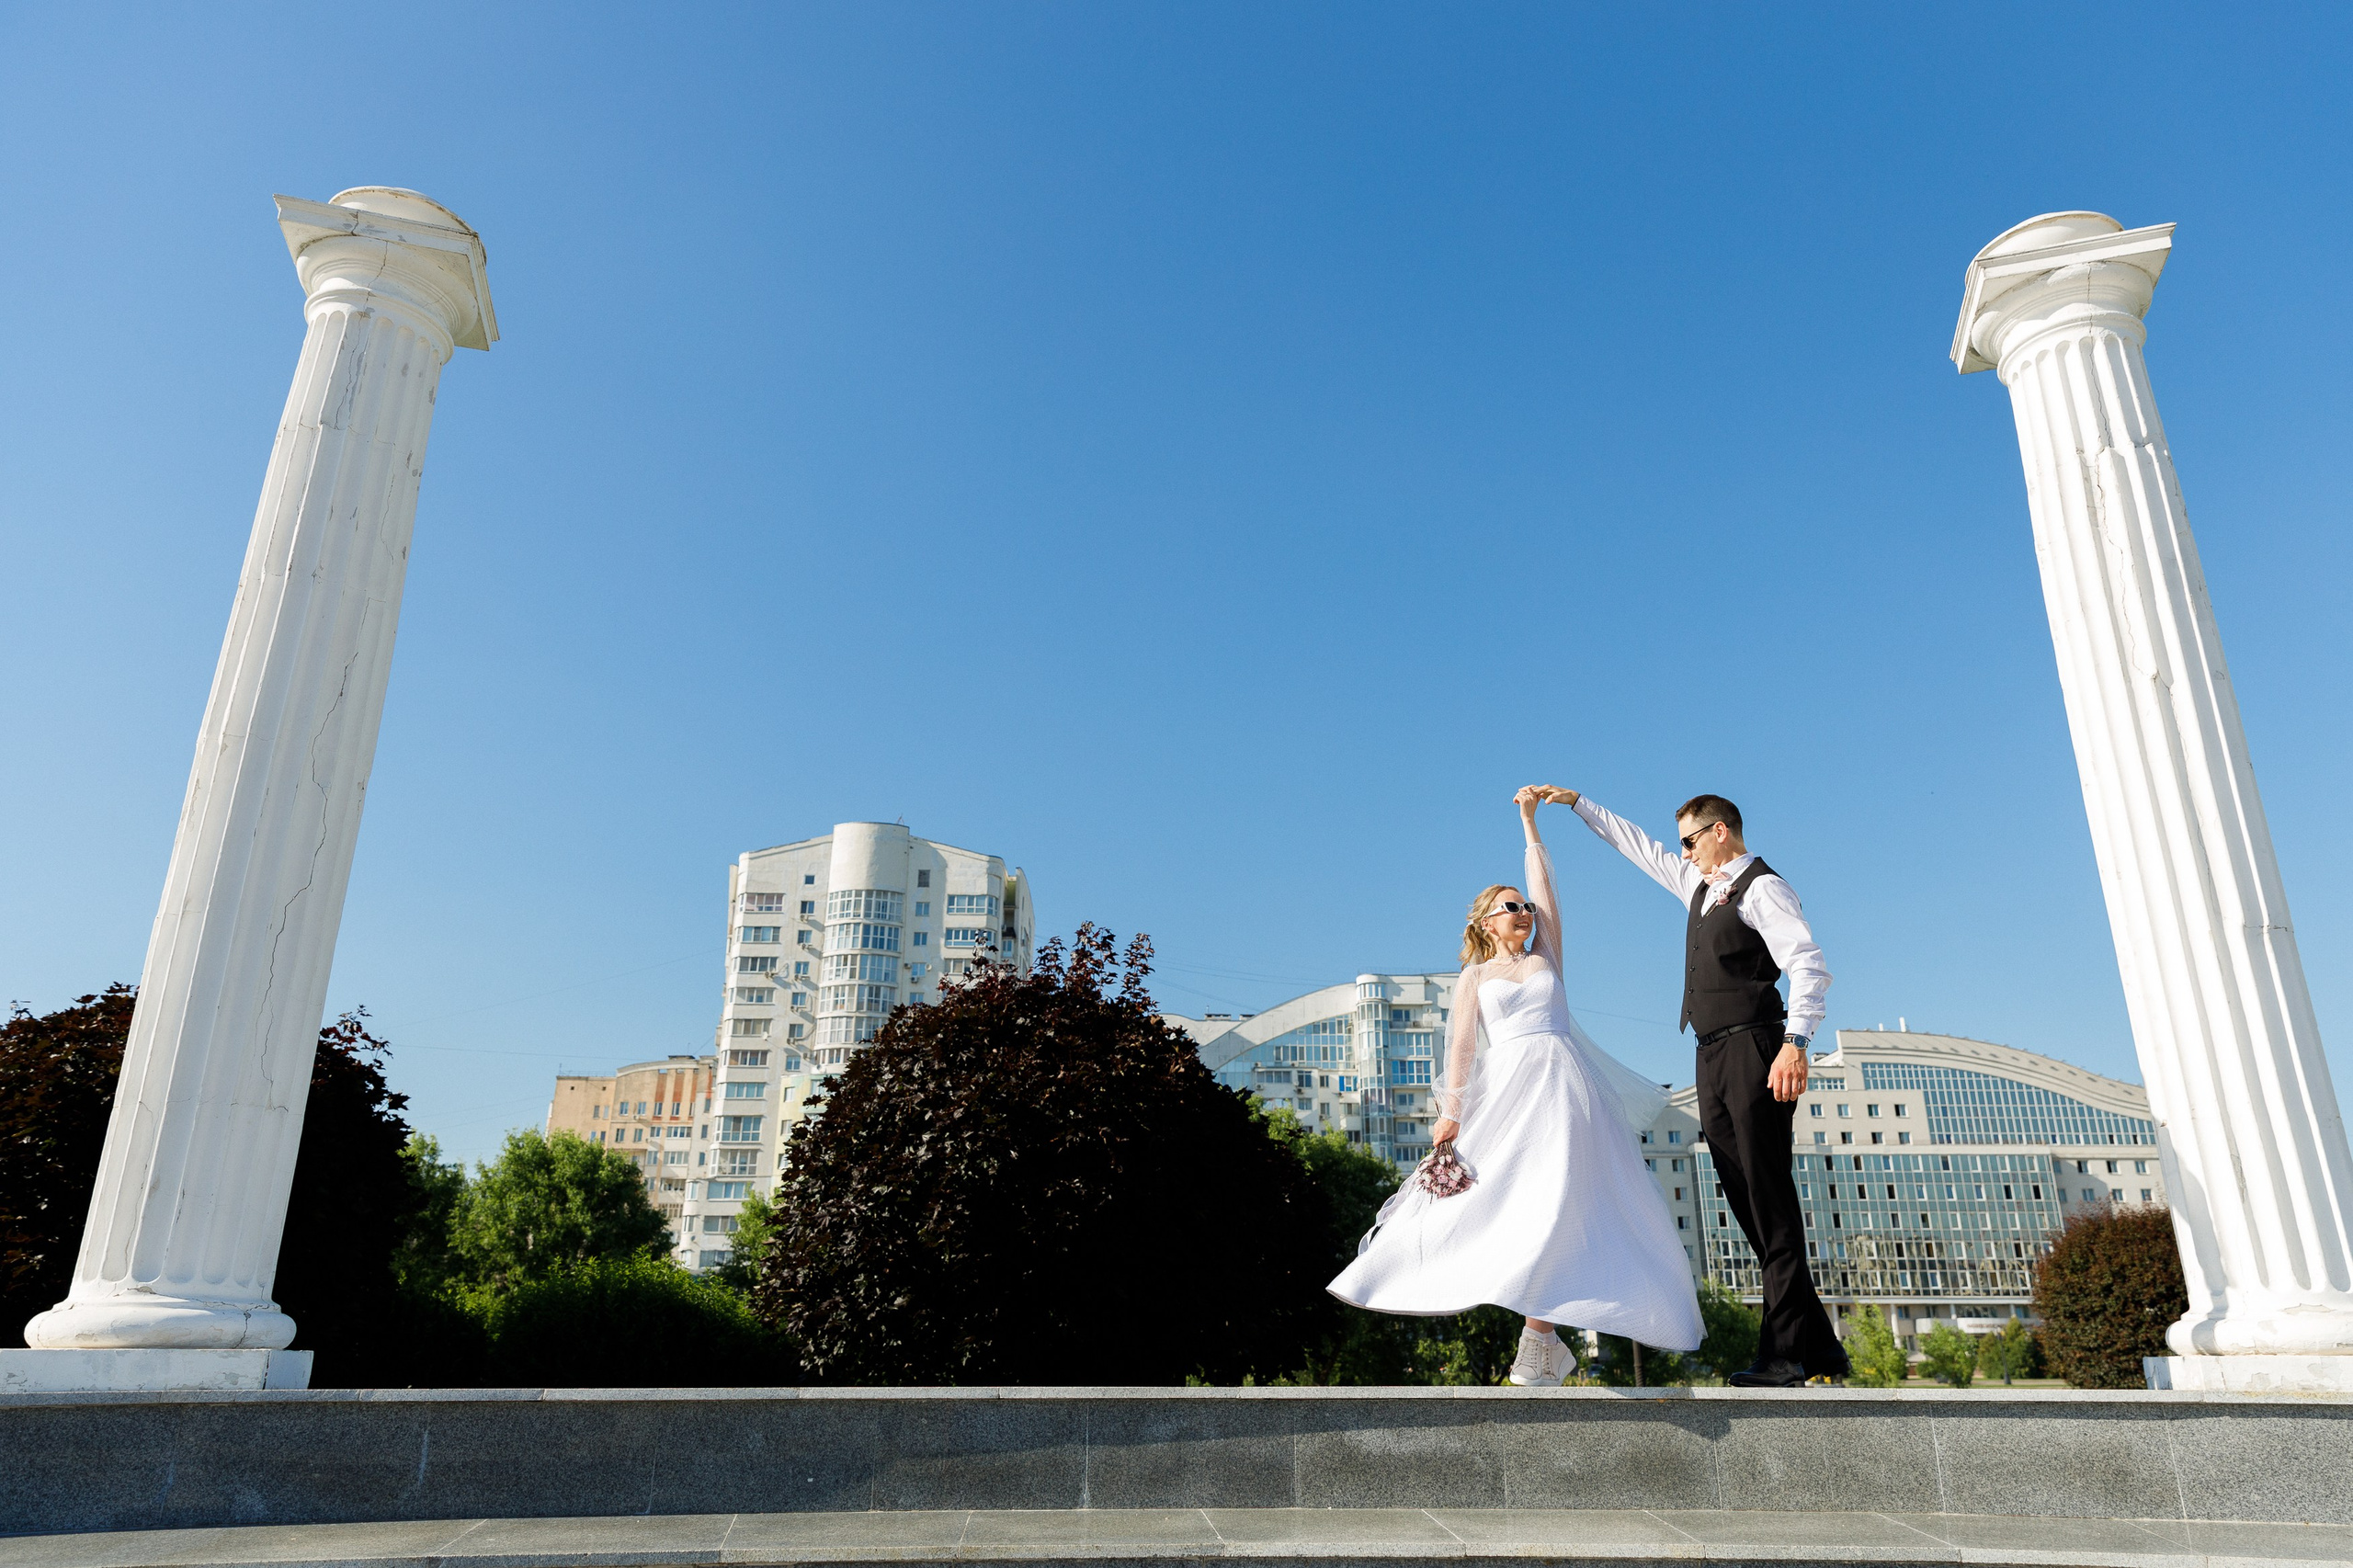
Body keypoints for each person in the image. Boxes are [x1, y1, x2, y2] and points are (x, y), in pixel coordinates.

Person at [1329, 787, 1701, 1385]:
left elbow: (1546, 886)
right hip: (1508, 1096)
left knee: (1562, 1207)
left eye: (1525, 906)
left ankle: (1540, 1340)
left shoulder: (1546, 956)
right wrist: (1451, 1114)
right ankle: (1538, 1340)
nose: (1523, 911)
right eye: (1510, 907)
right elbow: (1461, 1050)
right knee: (1513, 1207)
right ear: (1484, 922)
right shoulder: (1474, 976)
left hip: (1567, 1091)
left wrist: (1530, 825)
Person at [1544, 785, 1848, 1387]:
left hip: (1756, 1048)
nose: (1681, 853)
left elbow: (1809, 965)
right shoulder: (1698, 886)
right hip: (1708, 1055)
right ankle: (1821, 1349)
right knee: (1745, 1200)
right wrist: (1581, 805)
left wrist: (1796, 1043)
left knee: (1769, 1199)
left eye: (1689, 841)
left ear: (1720, 832)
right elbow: (1642, 851)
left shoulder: (1762, 887)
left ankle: (1786, 1354)